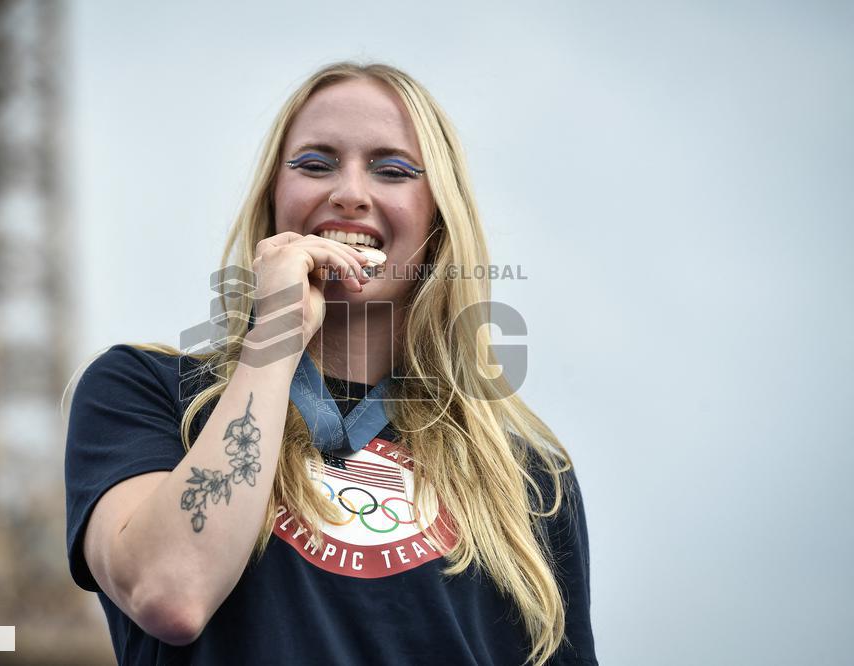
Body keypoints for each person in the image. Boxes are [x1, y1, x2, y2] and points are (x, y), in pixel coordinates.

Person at [63, 61, 597, 666]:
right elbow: (172, 592)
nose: (348, 193)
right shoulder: (146, 391)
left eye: (392, 170)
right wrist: (275, 338)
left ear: (438, 219)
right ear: (274, 197)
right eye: (315, 164)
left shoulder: (528, 479)